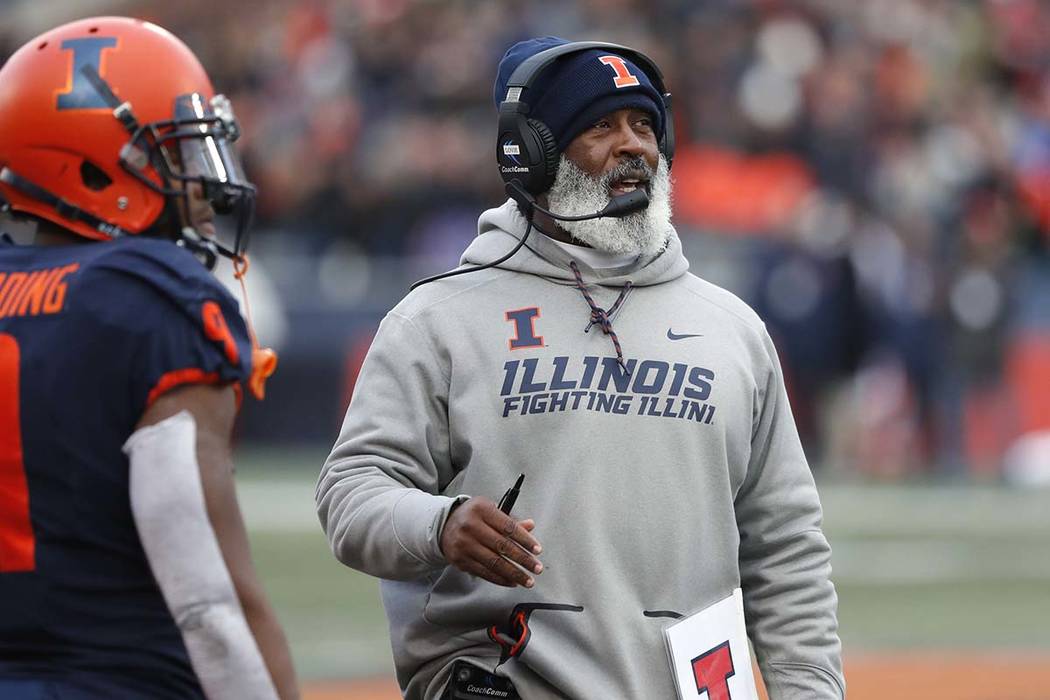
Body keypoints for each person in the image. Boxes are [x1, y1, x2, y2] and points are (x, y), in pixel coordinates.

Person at [317, 36, 843, 699]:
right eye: (602, 125)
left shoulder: (732, 331)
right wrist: (439, 524)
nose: (635, 146)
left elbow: (786, 546)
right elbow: (351, 491)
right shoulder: (439, 321)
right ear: (532, 153)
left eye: (645, 124)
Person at [0, 16, 297, 700]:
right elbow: (210, 604)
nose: (202, 186)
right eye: (178, 154)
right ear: (98, 161)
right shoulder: (152, 299)